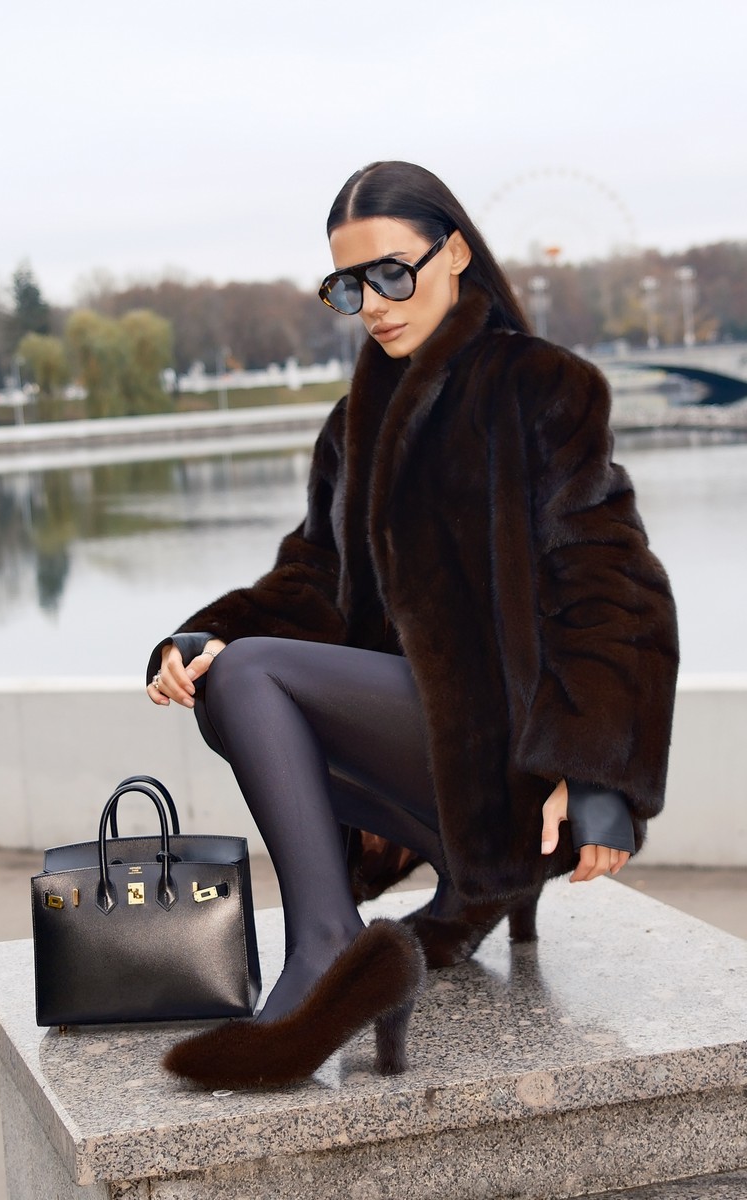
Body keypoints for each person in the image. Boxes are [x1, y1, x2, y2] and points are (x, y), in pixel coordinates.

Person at [146, 161, 679, 1089]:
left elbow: (613, 584)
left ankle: (326, 948)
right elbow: (313, 576)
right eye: (349, 287)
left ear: (456, 253)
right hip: (433, 756)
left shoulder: (540, 387)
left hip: (521, 763)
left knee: (253, 676)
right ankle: (384, 924)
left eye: (393, 272)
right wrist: (206, 635)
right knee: (228, 683)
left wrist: (595, 772)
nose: (375, 306)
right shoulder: (352, 424)